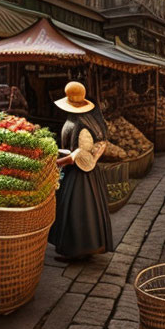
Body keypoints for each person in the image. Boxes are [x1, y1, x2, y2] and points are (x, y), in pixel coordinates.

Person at [49, 81, 113, 259]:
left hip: (80, 174)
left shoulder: (81, 125)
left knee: (76, 211)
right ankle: (84, 247)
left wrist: (58, 163)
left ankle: (76, 251)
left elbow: (80, 154)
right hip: (78, 173)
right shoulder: (77, 119)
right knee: (81, 211)